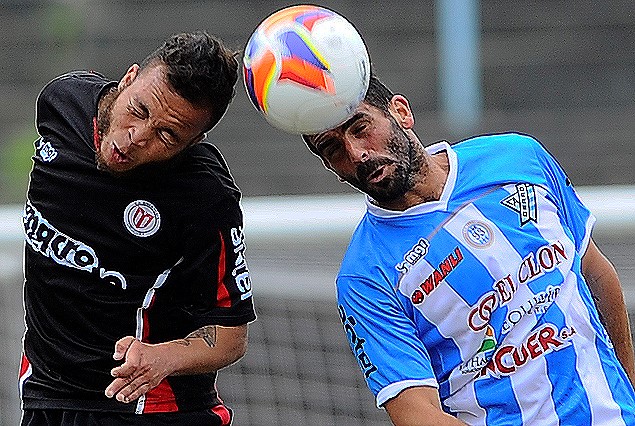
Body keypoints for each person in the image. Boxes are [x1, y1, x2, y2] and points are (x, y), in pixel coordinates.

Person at [301, 74, 635, 425]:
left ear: (401, 112)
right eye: (333, 149)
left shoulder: (518, 157)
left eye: (360, 128)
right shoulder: (363, 277)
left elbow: (596, 274)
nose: (357, 154)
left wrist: (628, 396)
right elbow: (416, 413)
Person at [19, 31, 255, 425]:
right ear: (128, 79)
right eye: (139, 110)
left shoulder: (205, 196)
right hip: (45, 396)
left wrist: (162, 357)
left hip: (145, 408)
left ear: (195, 141)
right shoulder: (62, 102)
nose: (135, 138)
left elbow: (231, 338)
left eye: (167, 135)